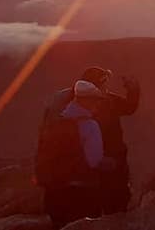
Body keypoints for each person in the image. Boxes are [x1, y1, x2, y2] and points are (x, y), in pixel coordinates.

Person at [41, 66, 140, 214]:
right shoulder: (106, 103)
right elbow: (129, 108)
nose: (106, 85)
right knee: (115, 200)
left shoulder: (70, 107)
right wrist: (133, 90)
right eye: (104, 81)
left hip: (85, 169)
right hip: (108, 160)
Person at [40, 80, 114, 229]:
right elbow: (95, 162)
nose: (98, 105)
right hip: (82, 194)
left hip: (56, 192)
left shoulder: (58, 121)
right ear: (86, 101)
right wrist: (113, 164)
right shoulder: (90, 126)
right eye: (96, 101)